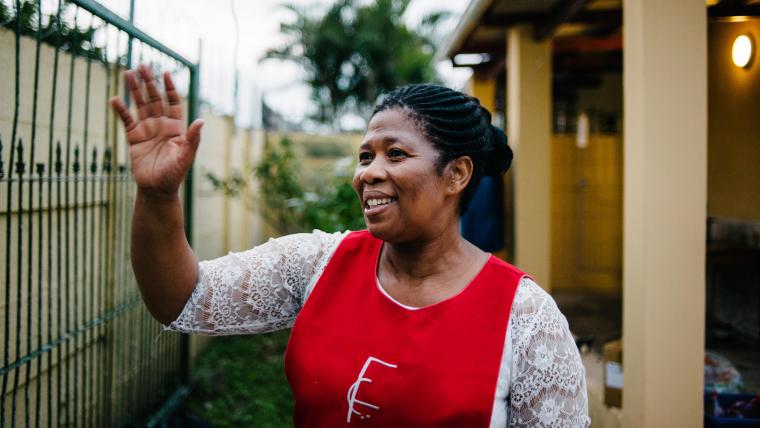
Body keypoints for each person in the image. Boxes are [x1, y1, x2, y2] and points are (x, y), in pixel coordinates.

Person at [110, 64, 590, 427]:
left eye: (395, 154)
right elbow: (183, 299)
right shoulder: (317, 264)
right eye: (365, 156)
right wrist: (157, 194)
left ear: (457, 174)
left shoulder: (524, 317)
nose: (369, 173)